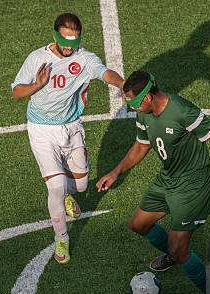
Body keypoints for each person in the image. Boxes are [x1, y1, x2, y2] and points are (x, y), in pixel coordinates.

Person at [96, 71, 210, 294]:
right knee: (138, 224)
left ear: (149, 96)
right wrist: (116, 171)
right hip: (167, 180)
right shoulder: (144, 113)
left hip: (193, 185)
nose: (130, 107)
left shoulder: (182, 110)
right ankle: (174, 255)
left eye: (133, 102)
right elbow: (142, 145)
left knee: (179, 246)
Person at [11, 13, 124, 264]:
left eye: (73, 42)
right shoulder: (37, 59)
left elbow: (106, 74)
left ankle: (67, 196)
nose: (68, 48)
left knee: (81, 186)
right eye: (64, 42)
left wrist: (123, 85)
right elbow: (17, 92)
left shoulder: (84, 59)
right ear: (55, 36)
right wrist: (36, 86)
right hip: (41, 130)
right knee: (56, 187)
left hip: (72, 128)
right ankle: (62, 237)